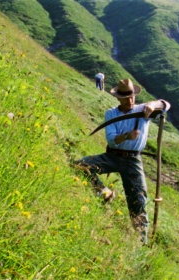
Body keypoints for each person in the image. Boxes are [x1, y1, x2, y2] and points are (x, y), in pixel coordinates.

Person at [74, 78, 162, 245]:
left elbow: (165, 104)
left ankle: (140, 242)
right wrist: (128, 136)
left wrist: (153, 104)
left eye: (132, 97)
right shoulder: (111, 113)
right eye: (126, 98)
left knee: (138, 200)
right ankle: (104, 192)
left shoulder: (143, 110)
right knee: (81, 165)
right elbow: (112, 139)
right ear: (118, 98)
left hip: (132, 161)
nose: (130, 100)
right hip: (113, 156)